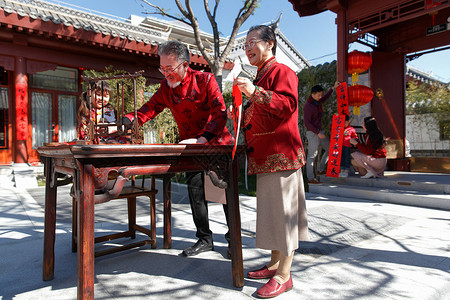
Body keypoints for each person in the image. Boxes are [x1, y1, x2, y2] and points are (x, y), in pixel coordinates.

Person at [122, 40, 234, 257]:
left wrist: (203, 139)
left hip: (216, 143)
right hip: (189, 147)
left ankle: (232, 240)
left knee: (225, 194)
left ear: (184, 64)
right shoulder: (166, 88)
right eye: (162, 69)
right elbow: (150, 108)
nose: (166, 74)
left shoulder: (205, 80)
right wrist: (129, 119)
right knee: (195, 192)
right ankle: (205, 239)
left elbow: (219, 111)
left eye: (170, 69)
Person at [231, 25, 308, 298]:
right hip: (265, 157)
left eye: (253, 42)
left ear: (270, 44)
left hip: (282, 156)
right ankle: (275, 263)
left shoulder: (282, 72)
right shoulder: (261, 75)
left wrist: (253, 93)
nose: (248, 48)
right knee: (274, 214)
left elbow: (287, 105)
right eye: (245, 45)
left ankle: (284, 275)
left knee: (284, 217)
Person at [304, 81, 340, 184]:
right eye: (318, 95)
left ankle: (320, 170)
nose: (320, 96)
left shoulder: (317, 102)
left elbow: (325, 98)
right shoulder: (308, 106)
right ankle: (310, 178)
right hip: (312, 133)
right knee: (312, 155)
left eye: (321, 94)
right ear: (313, 94)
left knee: (330, 148)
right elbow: (307, 123)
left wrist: (333, 88)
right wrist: (317, 132)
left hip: (320, 131)